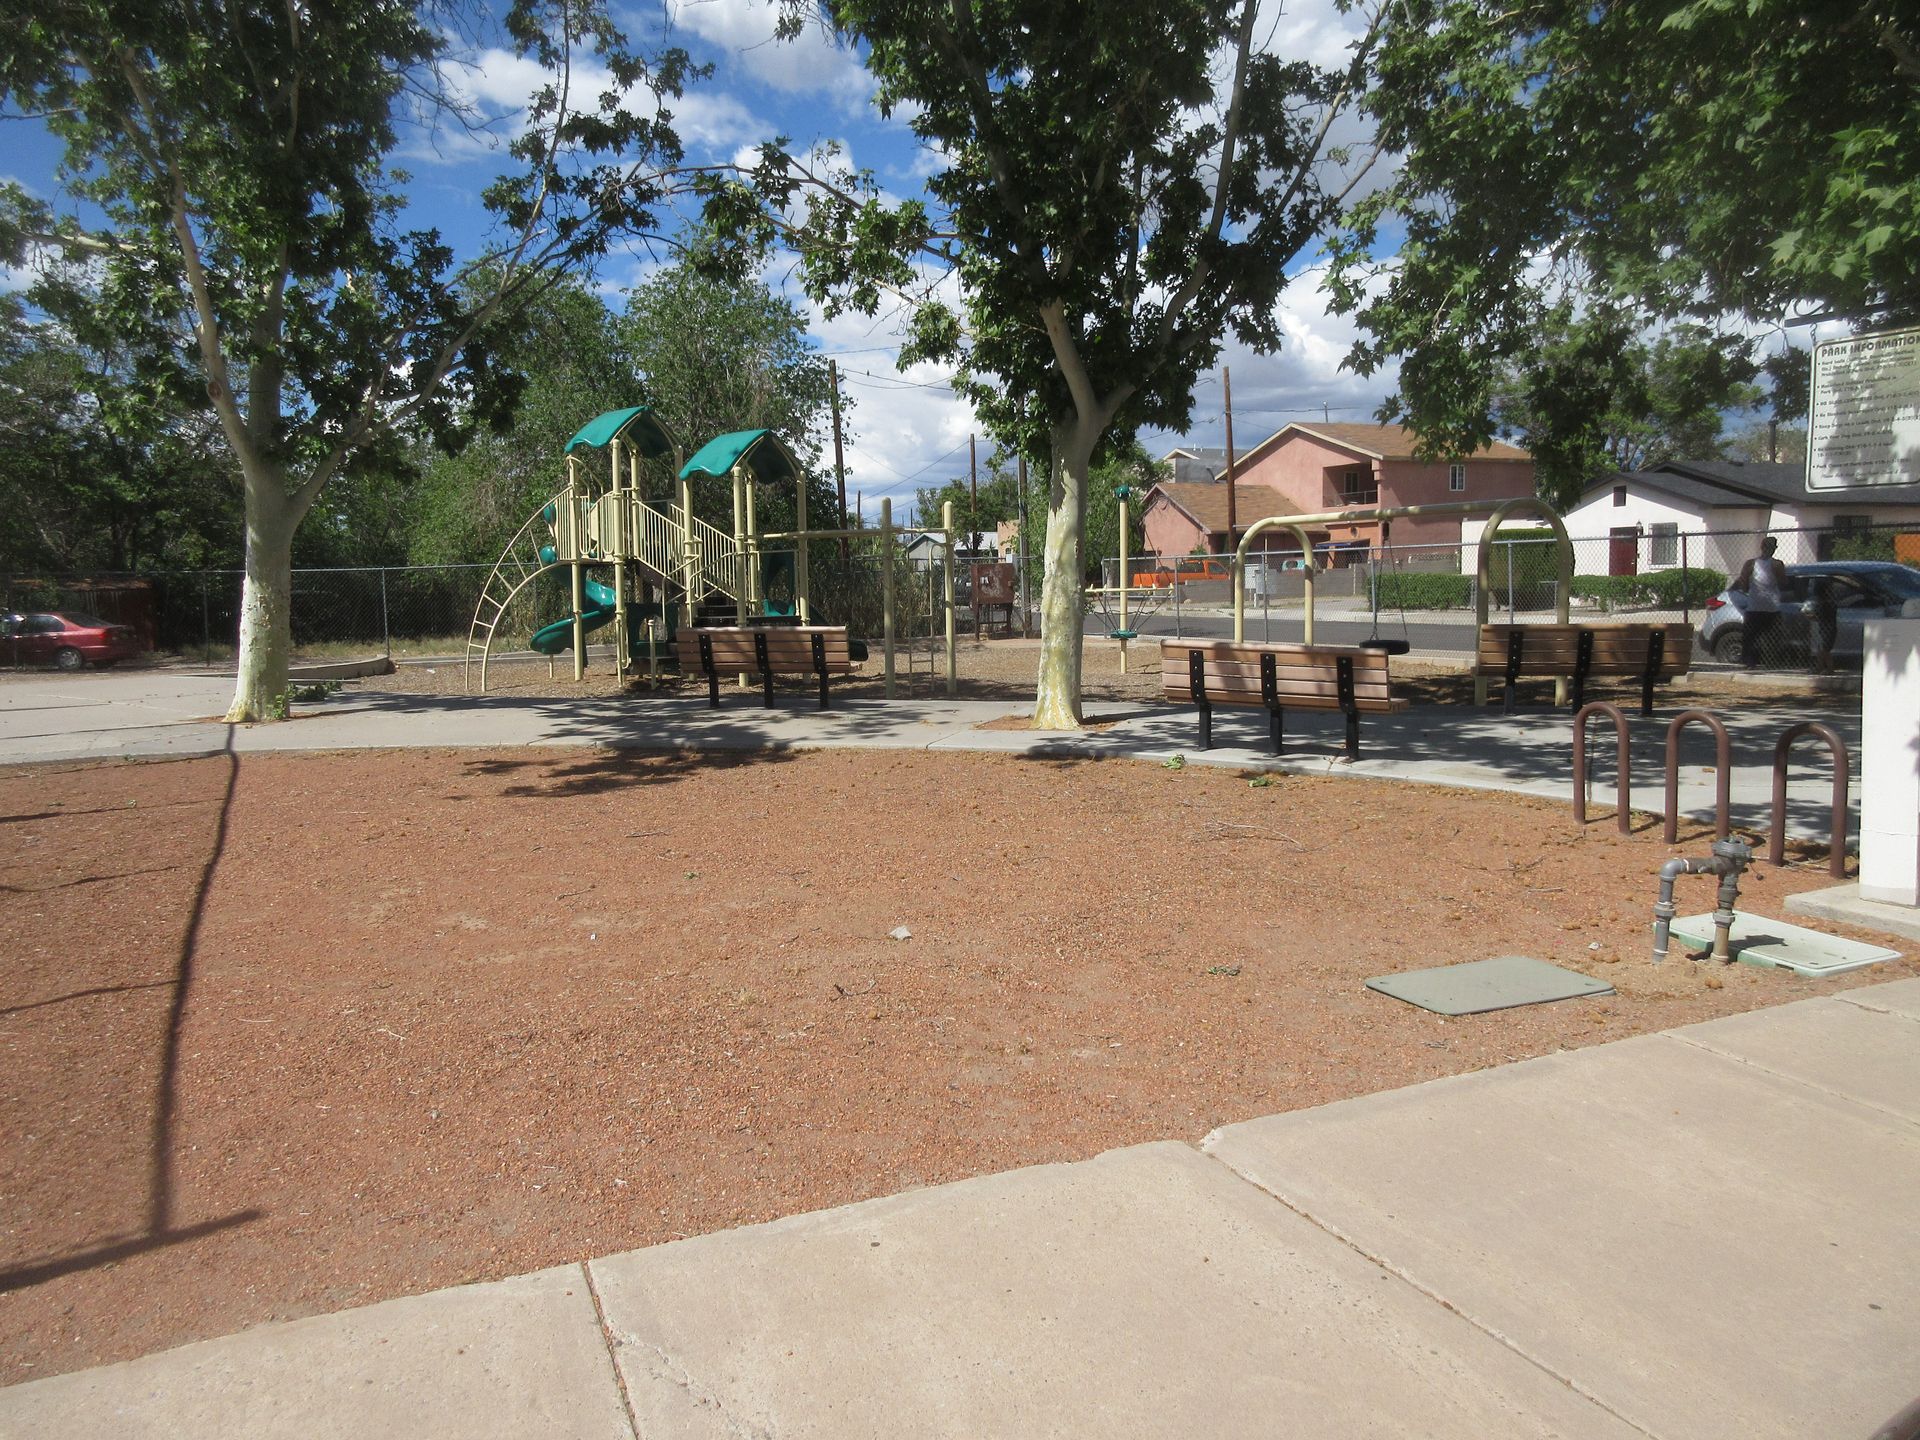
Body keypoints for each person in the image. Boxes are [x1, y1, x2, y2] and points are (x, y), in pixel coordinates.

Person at [1734, 536, 1788, 669]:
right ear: (1773, 549)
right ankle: (1771, 662)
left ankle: (1749, 662)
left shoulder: (1750, 564)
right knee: (1773, 637)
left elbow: (1744, 583)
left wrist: (1748, 588)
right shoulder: (1777, 564)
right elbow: (1783, 583)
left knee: (1751, 637)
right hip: (1772, 607)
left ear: (1762, 547)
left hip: (1755, 606)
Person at [1808, 574, 1837, 674]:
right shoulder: (1829, 602)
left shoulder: (1824, 604)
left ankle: (1828, 669)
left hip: (1827, 628)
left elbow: (1818, 616)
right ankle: (1820, 667)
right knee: (1822, 649)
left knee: (1825, 650)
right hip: (1827, 628)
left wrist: (1810, 616)